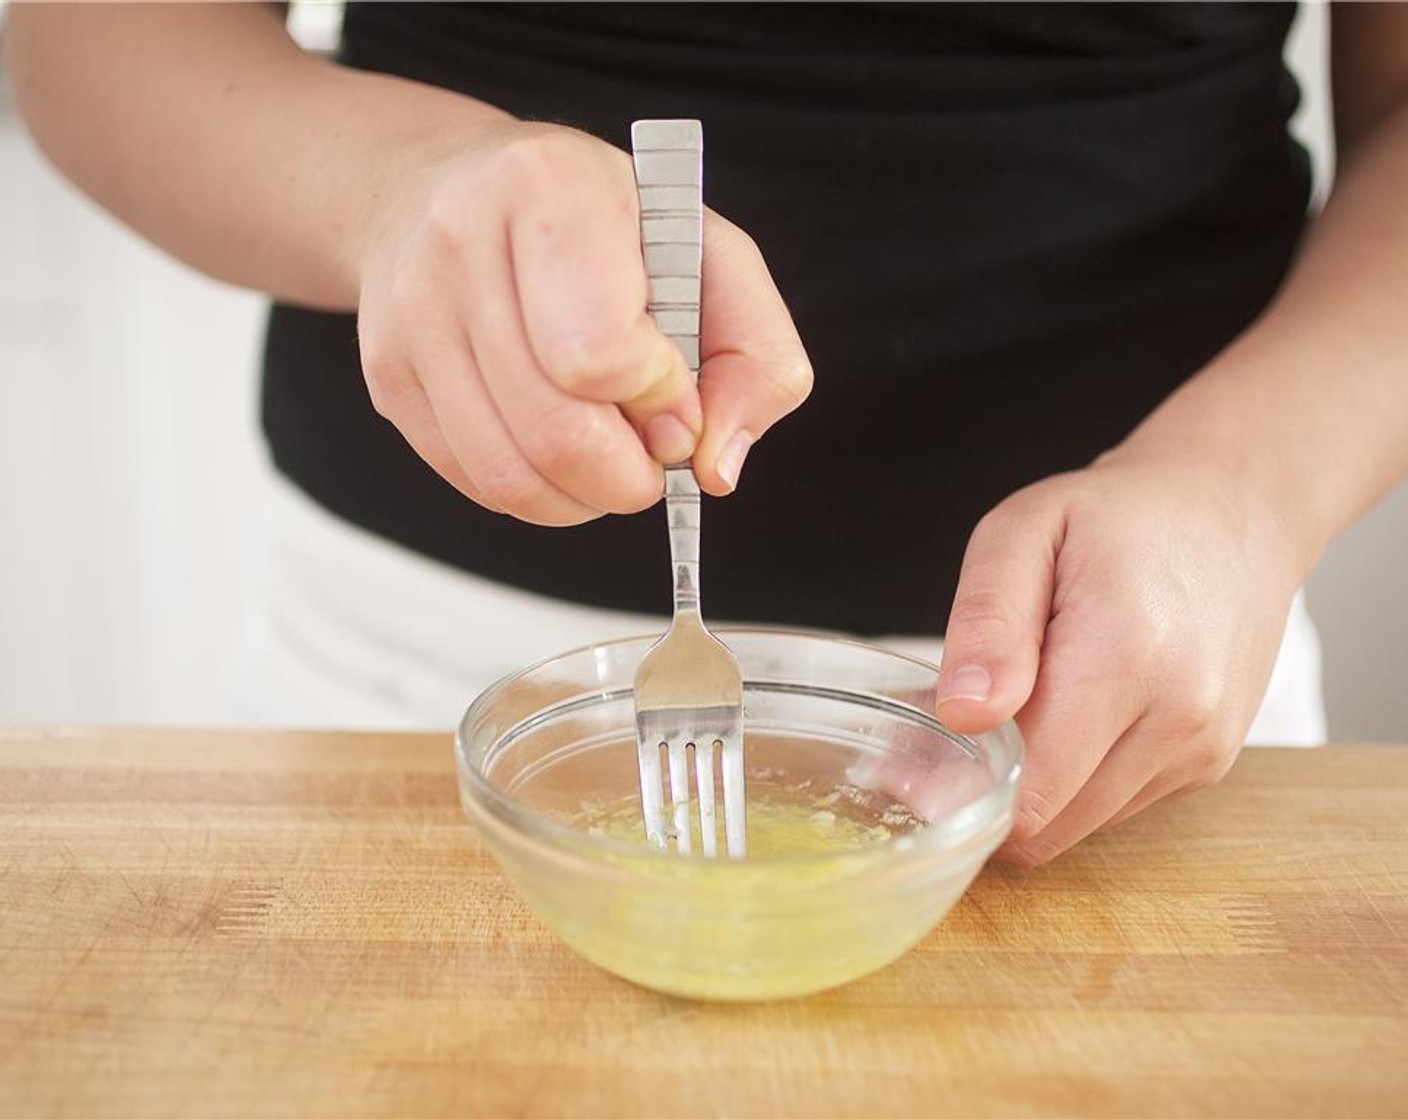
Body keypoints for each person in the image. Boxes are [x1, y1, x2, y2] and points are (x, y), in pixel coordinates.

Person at [8, 3, 1406, 867]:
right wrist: (395, 189)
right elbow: (86, 27)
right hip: (408, 701)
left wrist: (1243, 498)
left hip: (1139, 704)